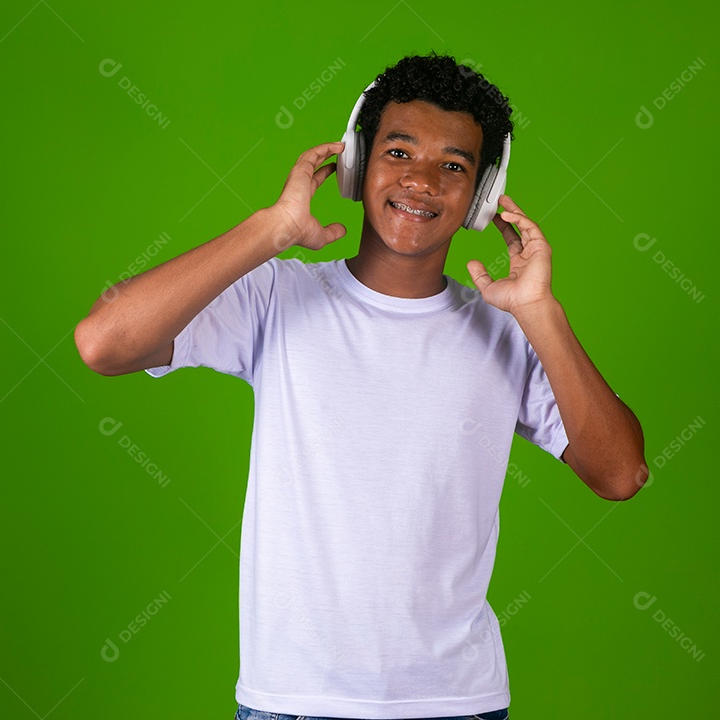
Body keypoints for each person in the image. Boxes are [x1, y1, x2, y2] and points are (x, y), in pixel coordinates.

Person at [75, 52, 648, 720]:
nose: (423, 181)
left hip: (456, 703)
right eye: (399, 152)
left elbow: (620, 474)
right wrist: (272, 230)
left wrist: (542, 311)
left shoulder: (508, 332)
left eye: (455, 166)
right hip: (290, 701)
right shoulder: (275, 298)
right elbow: (103, 343)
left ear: (482, 196)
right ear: (356, 163)